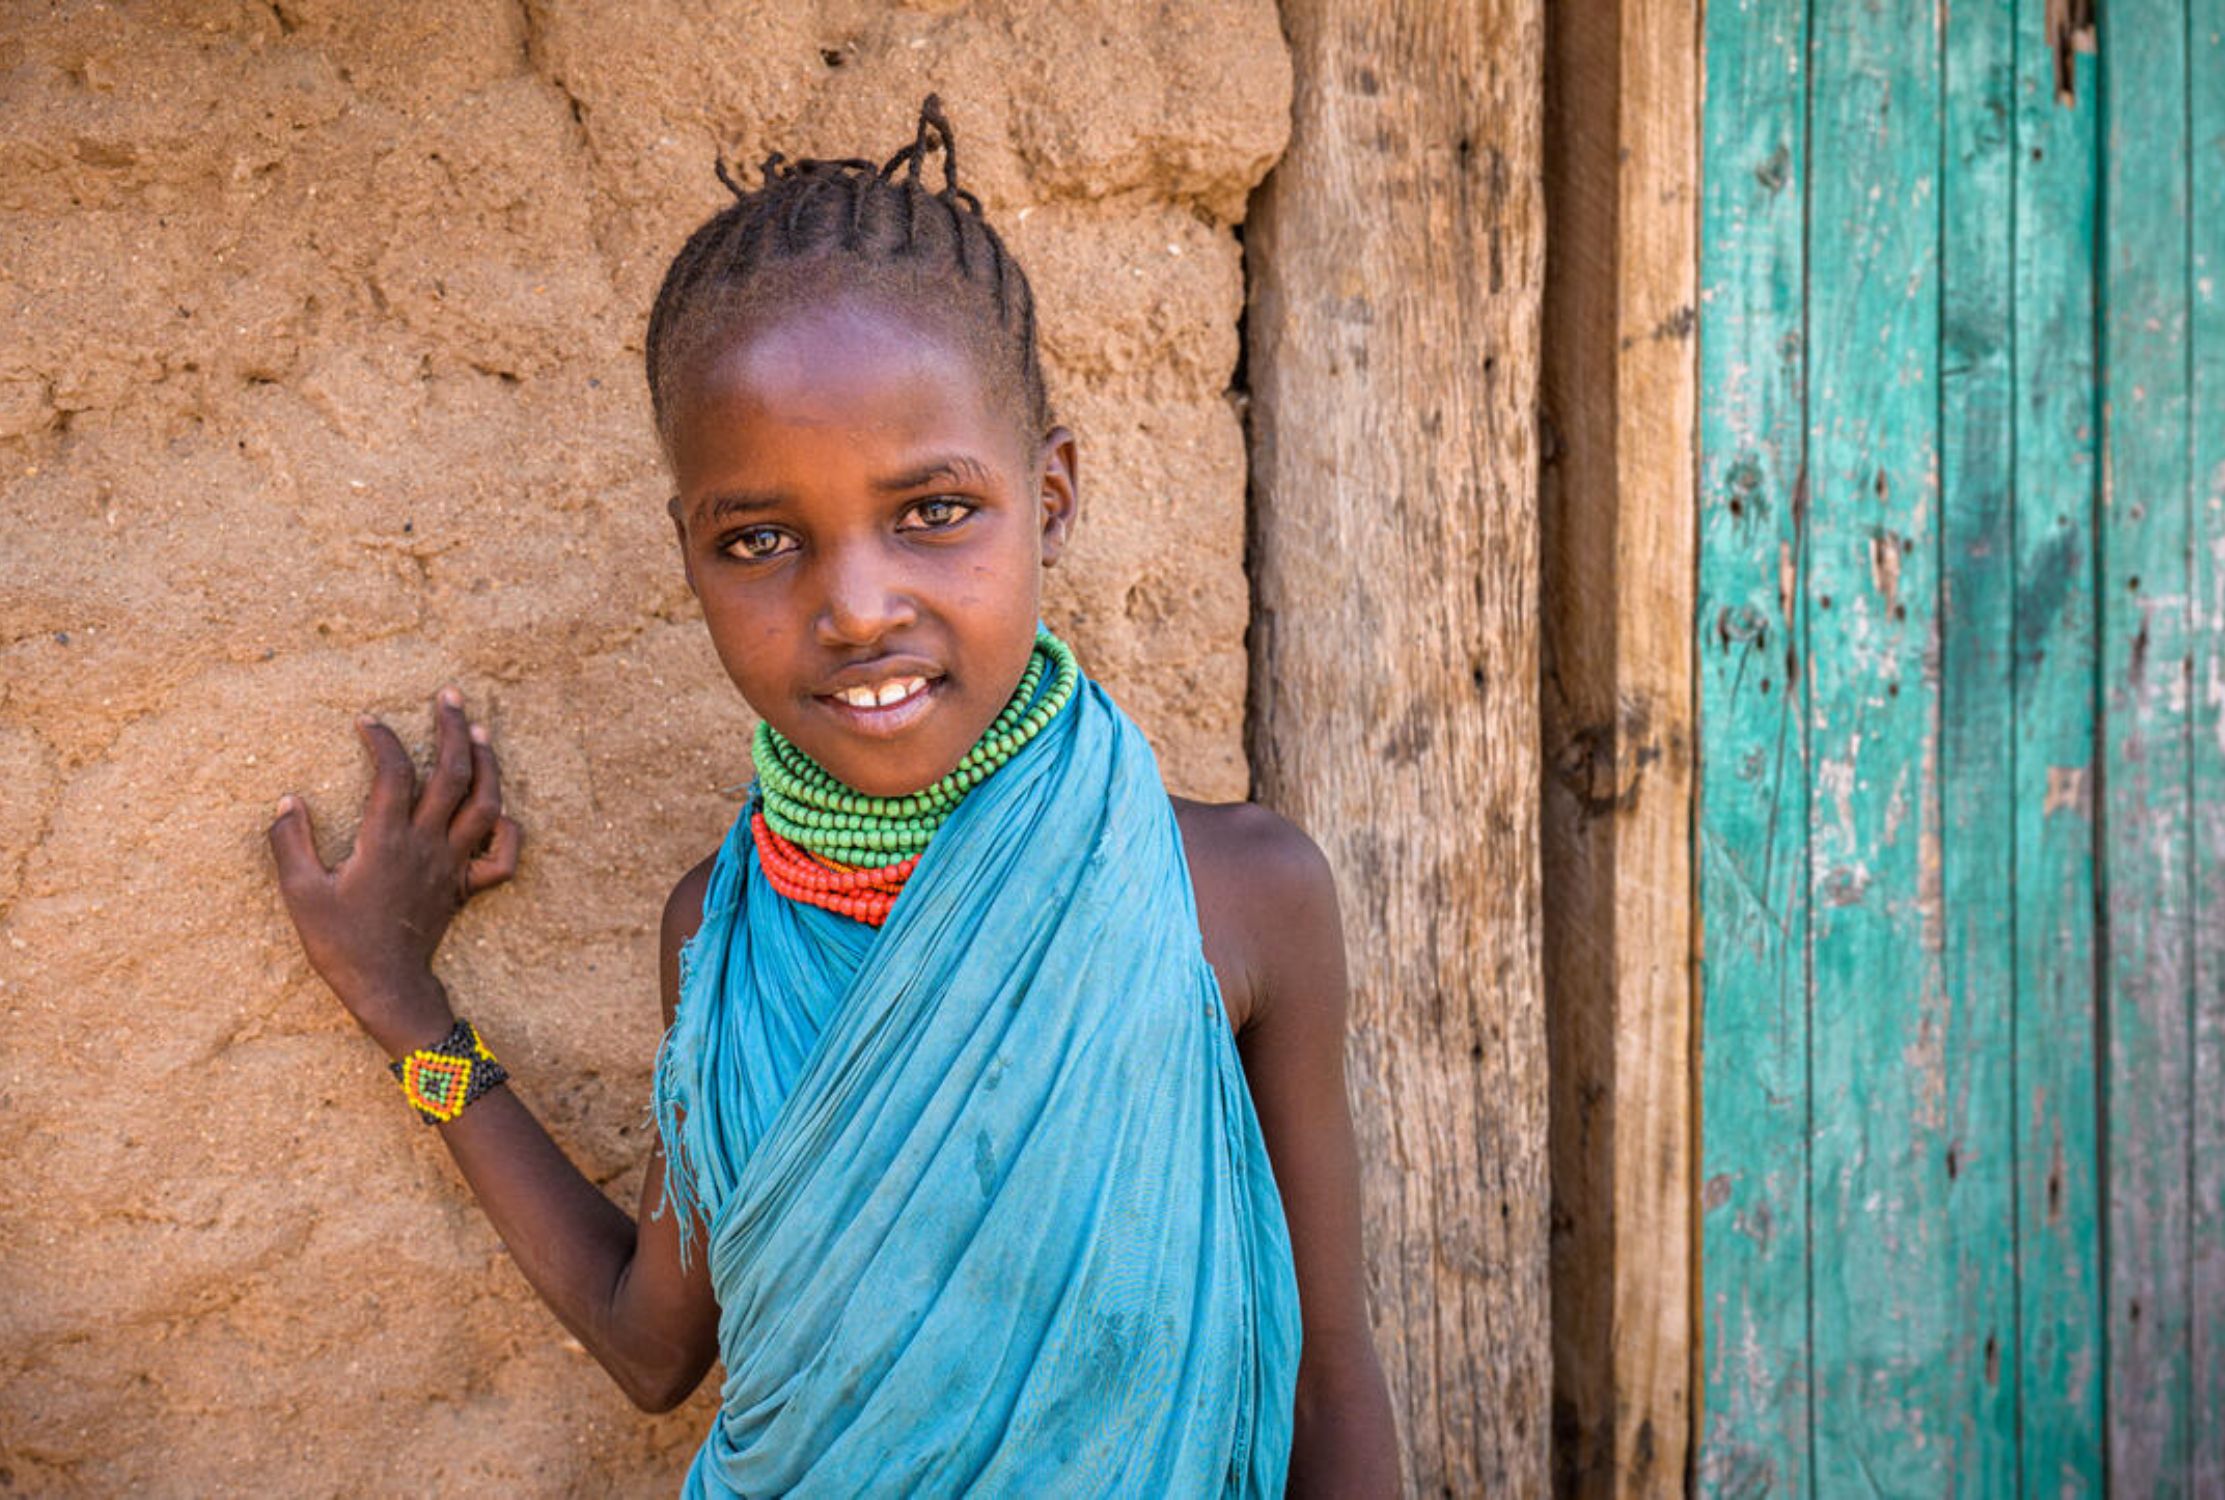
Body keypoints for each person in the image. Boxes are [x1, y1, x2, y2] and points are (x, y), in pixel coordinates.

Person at [267, 96, 1397, 1497]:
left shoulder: (1238, 897)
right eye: (760, 539)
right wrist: (406, 1010)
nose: (857, 607)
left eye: (934, 512)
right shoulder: (722, 935)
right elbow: (652, 1346)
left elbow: (1326, 1375)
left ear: (1050, 495)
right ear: (689, 556)